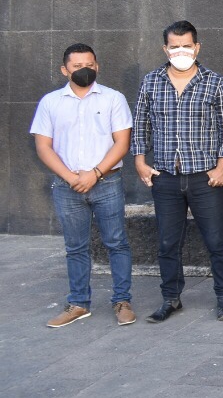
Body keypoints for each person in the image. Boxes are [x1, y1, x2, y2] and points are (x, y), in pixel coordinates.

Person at [133, 20, 223, 323]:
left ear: (197, 47)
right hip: (164, 176)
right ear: (166, 48)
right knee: (167, 242)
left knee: (216, 239)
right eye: (175, 46)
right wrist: (140, 161)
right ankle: (170, 298)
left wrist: (222, 166)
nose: (181, 51)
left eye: (186, 45)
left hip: (205, 177)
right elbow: (141, 124)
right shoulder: (151, 81)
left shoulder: (214, 82)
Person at [32, 44, 135, 328]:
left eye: (89, 64)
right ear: (65, 70)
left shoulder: (113, 99)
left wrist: (95, 173)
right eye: (76, 66)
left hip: (107, 182)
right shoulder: (50, 102)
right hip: (68, 186)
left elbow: (122, 142)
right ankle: (78, 303)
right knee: (75, 247)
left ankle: (122, 301)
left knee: (116, 242)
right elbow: (43, 146)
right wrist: (70, 176)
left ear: (97, 66)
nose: (84, 69)